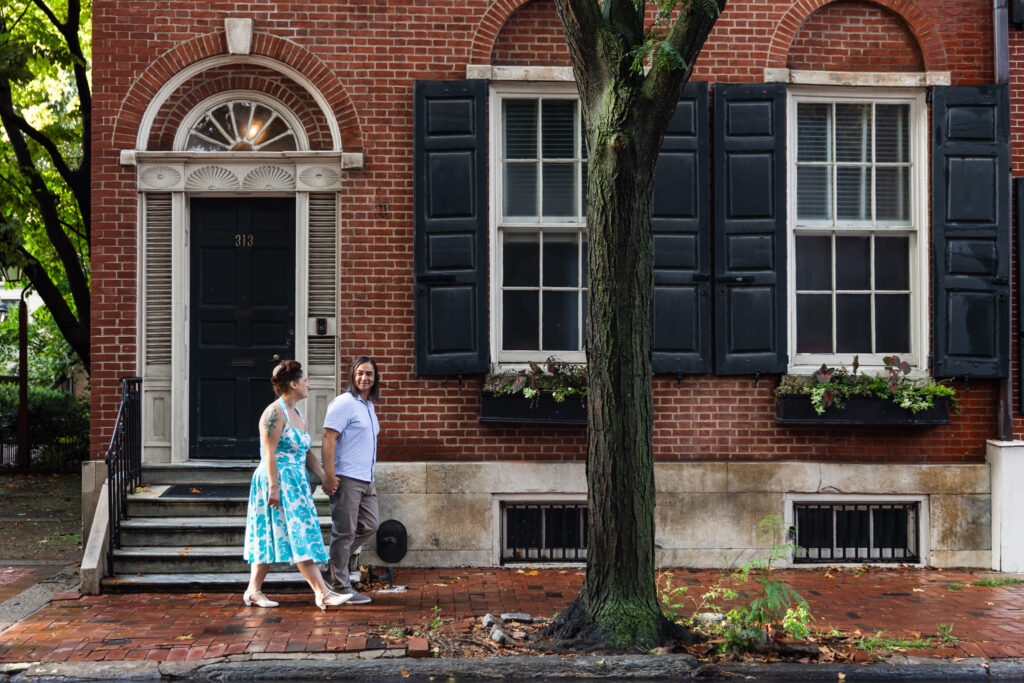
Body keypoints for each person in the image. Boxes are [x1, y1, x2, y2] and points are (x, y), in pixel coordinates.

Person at [242, 360, 350, 610]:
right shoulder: (273, 413)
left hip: (296, 483)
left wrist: (325, 476)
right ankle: (322, 592)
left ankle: (253, 590)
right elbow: (269, 453)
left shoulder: (298, 415)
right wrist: (273, 487)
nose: (308, 385)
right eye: (304, 381)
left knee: (275, 535)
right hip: (276, 479)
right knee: (299, 534)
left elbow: (306, 453)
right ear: (293, 384)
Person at [321, 356, 381, 605]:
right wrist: (330, 474)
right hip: (346, 478)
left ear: (375, 378)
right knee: (344, 533)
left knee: (370, 524)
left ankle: (331, 565)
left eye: (368, 373)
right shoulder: (343, 403)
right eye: (359, 373)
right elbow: (328, 438)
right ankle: (341, 586)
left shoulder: (368, 405)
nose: (364, 378)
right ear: (352, 376)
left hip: (367, 478)